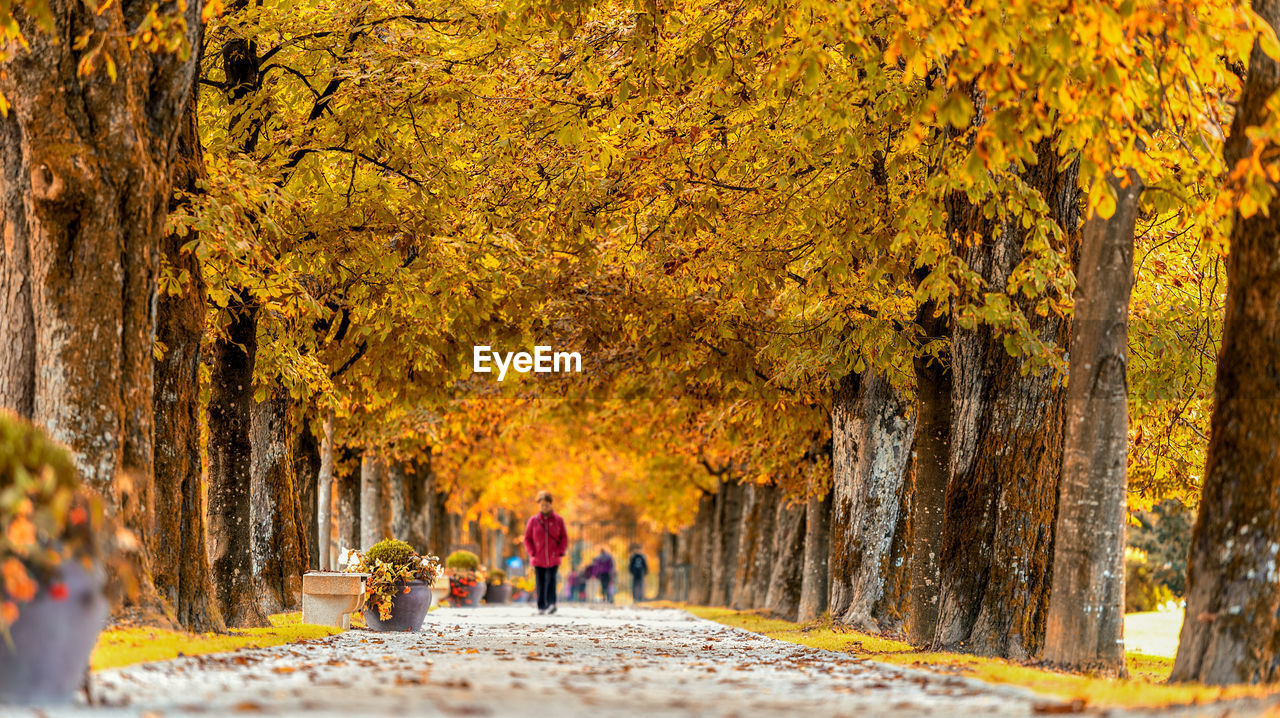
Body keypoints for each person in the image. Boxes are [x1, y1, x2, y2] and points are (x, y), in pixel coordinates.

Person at [523, 490, 567, 615]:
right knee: (540, 581)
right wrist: (532, 552)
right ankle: (541, 605)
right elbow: (527, 538)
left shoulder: (558, 520)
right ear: (539, 506)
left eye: (546, 505)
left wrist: (560, 551)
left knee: (551, 579)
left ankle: (551, 603)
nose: (544, 507)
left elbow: (563, 537)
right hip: (538, 557)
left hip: (553, 557)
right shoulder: (533, 521)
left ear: (551, 505)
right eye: (542, 505)